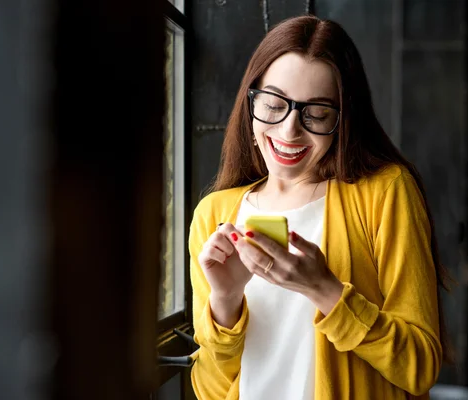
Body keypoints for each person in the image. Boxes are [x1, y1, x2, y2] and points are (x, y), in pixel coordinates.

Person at [188, 14, 454, 400]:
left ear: (343, 121)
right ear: (251, 104)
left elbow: (418, 368)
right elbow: (208, 389)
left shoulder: (386, 192)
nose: (289, 130)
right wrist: (225, 302)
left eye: (316, 113)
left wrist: (324, 289)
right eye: (275, 103)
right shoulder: (213, 215)